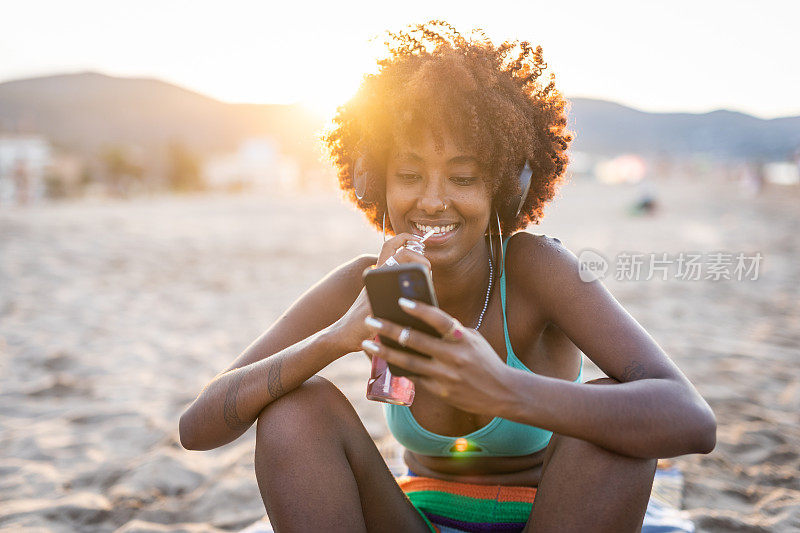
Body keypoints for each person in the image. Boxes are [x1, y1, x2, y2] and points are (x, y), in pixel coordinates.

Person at [178, 21, 716, 532]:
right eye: (409, 175)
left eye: (463, 177)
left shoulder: (535, 269)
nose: (432, 200)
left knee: (616, 415)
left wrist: (507, 389)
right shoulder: (364, 285)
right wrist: (337, 338)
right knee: (296, 407)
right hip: (419, 521)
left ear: (504, 189)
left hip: (552, 517)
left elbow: (690, 419)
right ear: (377, 184)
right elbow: (197, 428)